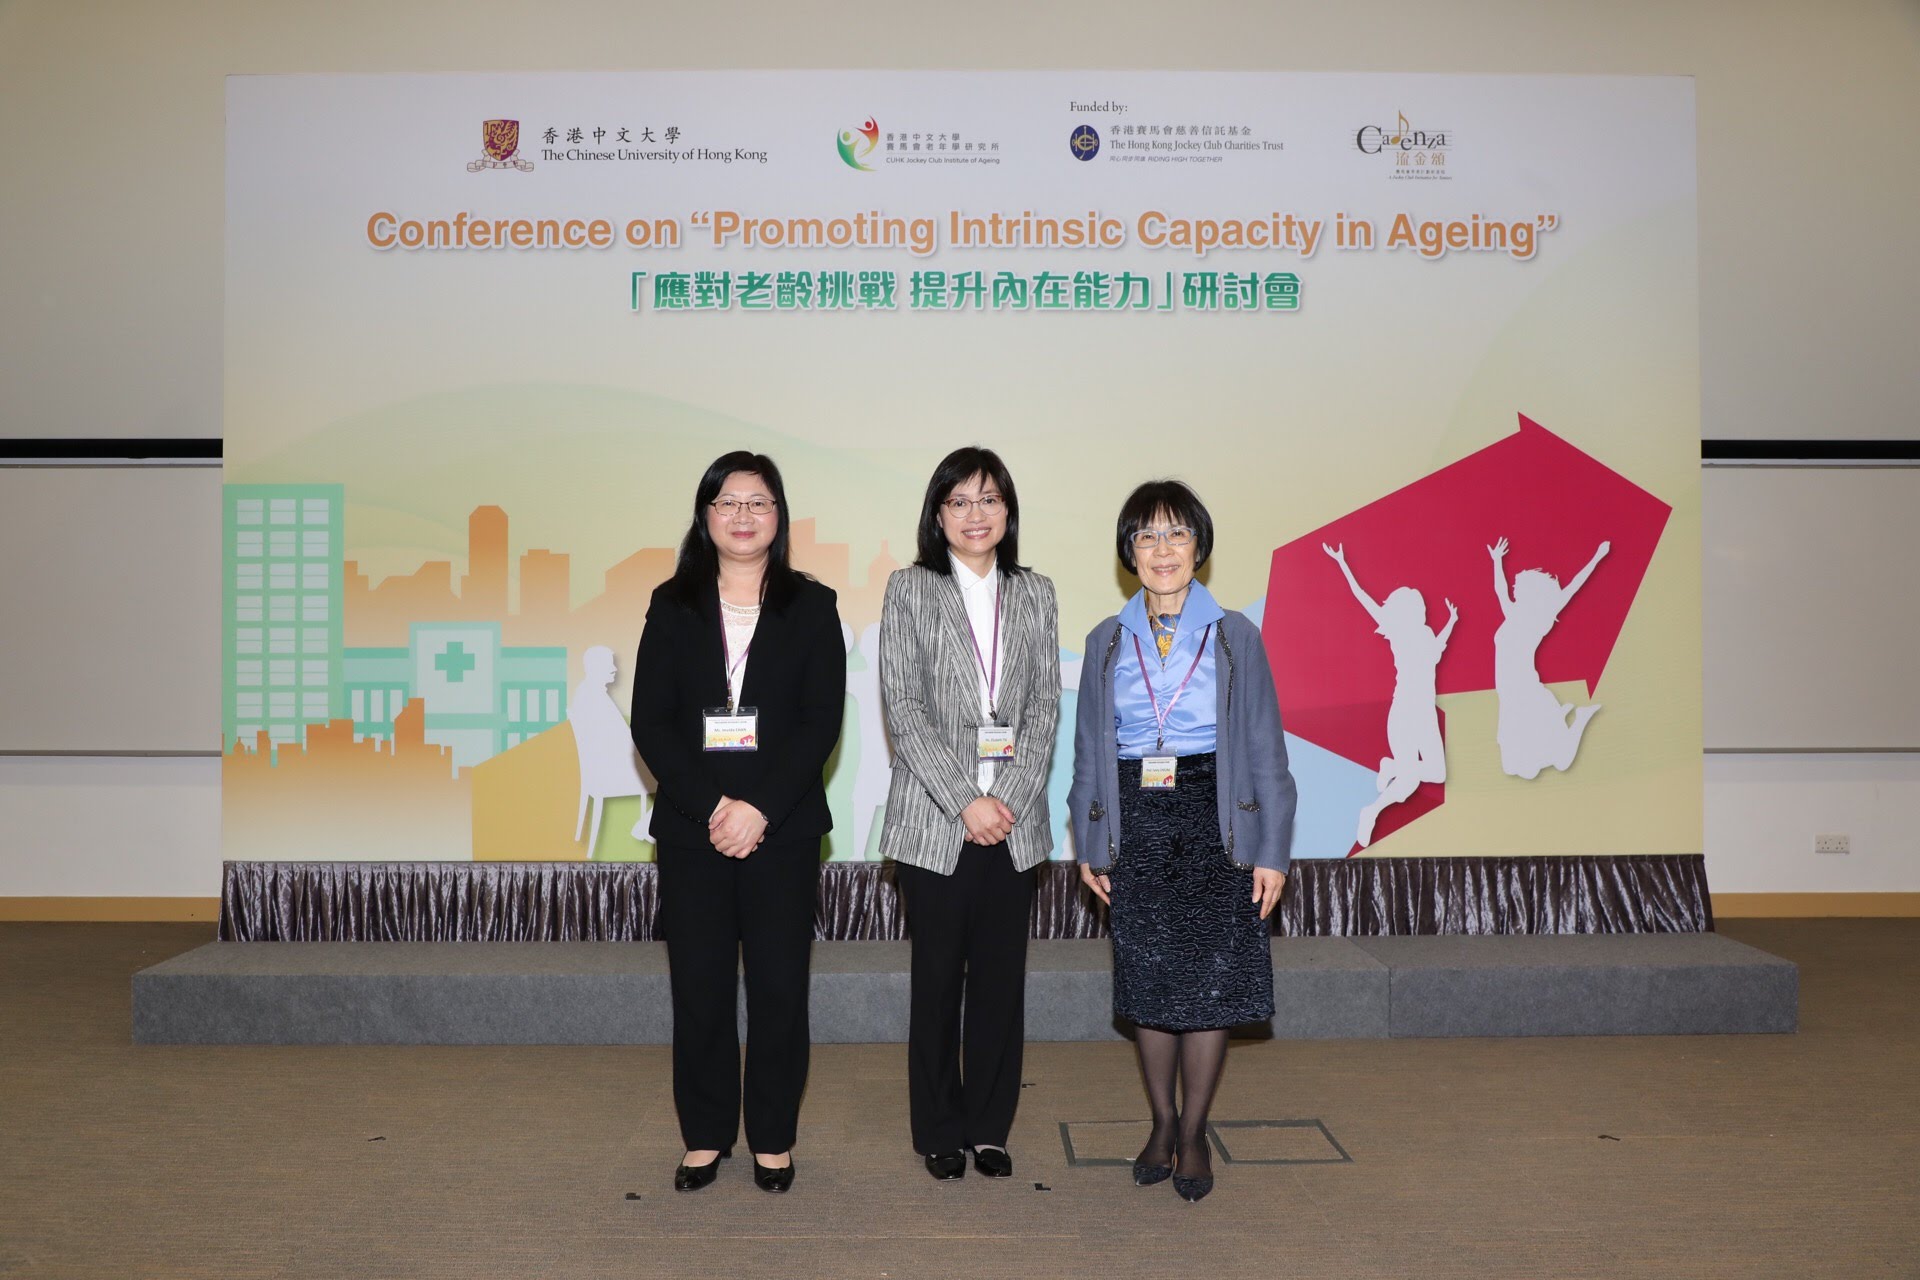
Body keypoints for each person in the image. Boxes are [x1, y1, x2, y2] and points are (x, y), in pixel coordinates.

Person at [1068, 480, 1297, 1202]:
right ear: (1127, 552)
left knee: (1208, 987)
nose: (1161, 550)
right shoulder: (1107, 640)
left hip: (1218, 822)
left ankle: (1194, 1132)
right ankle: (1161, 1123)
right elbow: (1086, 752)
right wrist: (1089, 840)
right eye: (1146, 536)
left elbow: (1266, 748)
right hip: (1136, 823)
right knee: (1151, 984)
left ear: (1199, 547)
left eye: (1176, 535)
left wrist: (1272, 852)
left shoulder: (1234, 635)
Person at [629, 451, 845, 1195]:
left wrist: (758, 810)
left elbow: (821, 723)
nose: (743, 515)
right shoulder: (672, 602)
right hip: (695, 833)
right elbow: (651, 723)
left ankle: (774, 1138)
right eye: (727, 502)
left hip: (780, 834)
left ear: (779, 516)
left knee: (782, 990)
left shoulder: (813, 607)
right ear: (706, 515)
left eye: (758, 502)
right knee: (700, 988)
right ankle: (706, 1134)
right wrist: (715, 808)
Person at [878, 446, 1060, 1181]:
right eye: (959, 502)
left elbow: (1046, 705)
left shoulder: (1036, 592)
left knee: (999, 985)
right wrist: (966, 800)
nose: (975, 514)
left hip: (1013, 828)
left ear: (1008, 511)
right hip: (936, 821)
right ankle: (939, 1130)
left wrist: (1006, 801)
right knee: (936, 985)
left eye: (988, 500)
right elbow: (904, 706)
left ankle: (990, 1126)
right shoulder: (910, 589)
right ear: (938, 514)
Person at [1322, 543, 1456, 848]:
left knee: (1436, 772)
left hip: (1425, 711)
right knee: (1408, 785)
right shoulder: (1398, 631)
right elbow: (1364, 599)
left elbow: (1436, 653)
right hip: (1406, 710)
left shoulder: (1424, 635)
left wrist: (1451, 622)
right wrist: (1343, 563)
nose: (1422, 609)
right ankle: (1372, 810)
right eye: (1417, 604)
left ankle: (1392, 766)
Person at [1488, 536, 1609, 779]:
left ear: (1530, 593)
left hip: (1524, 688)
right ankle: (1556, 718)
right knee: (1517, 769)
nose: (1513, 589)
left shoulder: (1539, 620)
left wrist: (1597, 556)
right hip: (1508, 693)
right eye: (1515, 588)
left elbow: (1574, 586)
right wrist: (1497, 561)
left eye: (1517, 587)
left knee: (1562, 761)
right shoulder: (1512, 614)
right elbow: (1500, 591)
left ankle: (1580, 718)